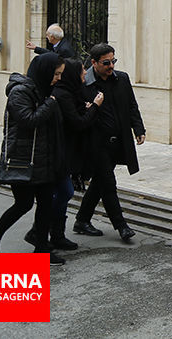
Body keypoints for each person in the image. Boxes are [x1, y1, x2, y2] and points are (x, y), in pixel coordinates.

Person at [0, 53, 67, 265]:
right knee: (23, 204)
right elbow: (28, 120)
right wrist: (50, 103)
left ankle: (41, 250)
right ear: (45, 72)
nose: (58, 78)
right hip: (23, 159)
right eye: (56, 74)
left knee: (46, 204)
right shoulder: (20, 92)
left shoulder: (44, 90)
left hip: (42, 159)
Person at [73, 43, 145, 242]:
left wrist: (139, 128)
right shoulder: (84, 84)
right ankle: (121, 226)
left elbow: (132, 106)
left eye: (113, 61)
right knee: (108, 183)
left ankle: (82, 220)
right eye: (106, 63)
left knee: (100, 182)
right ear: (94, 63)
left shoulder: (122, 79)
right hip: (95, 144)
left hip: (117, 141)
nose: (111, 66)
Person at [43, 57, 101, 250]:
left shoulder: (71, 92)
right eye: (82, 70)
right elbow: (78, 123)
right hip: (59, 153)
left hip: (66, 152)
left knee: (62, 193)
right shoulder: (62, 95)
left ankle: (54, 235)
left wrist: (86, 108)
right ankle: (41, 233)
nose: (85, 73)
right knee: (62, 192)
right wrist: (95, 107)